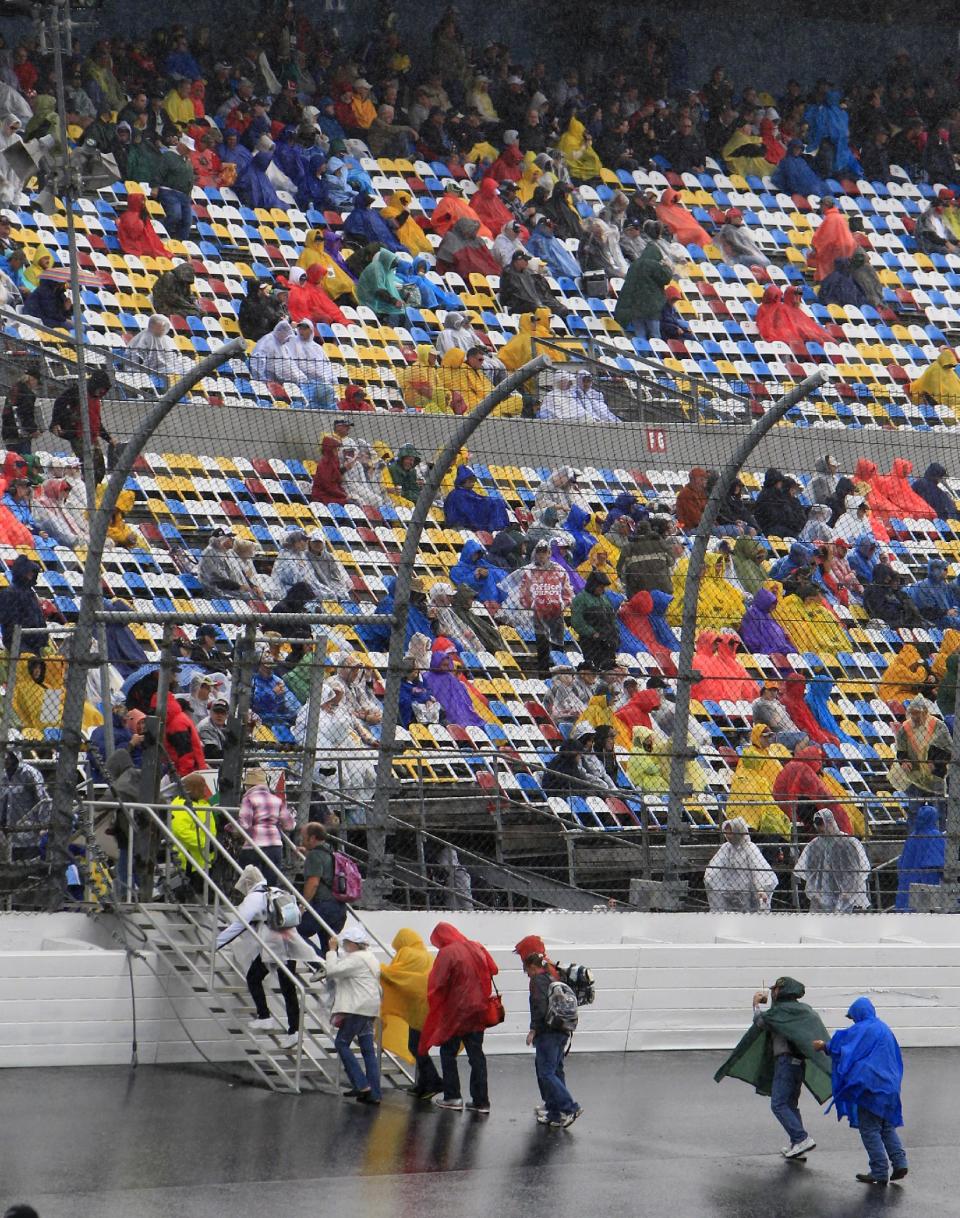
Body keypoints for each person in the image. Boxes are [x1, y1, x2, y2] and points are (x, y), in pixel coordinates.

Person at [715, 976, 831, 1159]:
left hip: (786, 1063)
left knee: (778, 1104)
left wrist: (755, 1005)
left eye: (775, 989)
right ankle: (797, 1145)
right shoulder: (804, 1011)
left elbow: (761, 1022)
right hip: (799, 1064)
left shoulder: (781, 1012)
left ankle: (801, 1138)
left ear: (783, 991)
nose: (773, 992)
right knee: (791, 1104)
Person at [215, 864, 312, 1050]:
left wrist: (215, 944)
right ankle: (294, 1031)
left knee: (253, 978)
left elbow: (238, 925)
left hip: (274, 947)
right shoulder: (276, 891)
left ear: (247, 883)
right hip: (288, 944)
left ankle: (265, 1017)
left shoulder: (253, 898)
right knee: (288, 988)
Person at [812, 999, 908, 1186]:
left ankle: (879, 1171)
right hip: (891, 1087)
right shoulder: (884, 1028)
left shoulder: (864, 1029)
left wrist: (824, 1046)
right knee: (887, 1127)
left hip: (871, 1088)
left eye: (853, 1017)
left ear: (858, 1014)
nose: (853, 1021)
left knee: (870, 1129)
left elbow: (844, 1046)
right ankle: (900, 1162)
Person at [420, 922, 498, 1113]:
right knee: (476, 1055)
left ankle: (453, 1096)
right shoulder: (476, 946)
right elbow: (494, 969)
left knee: (448, 1053)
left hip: (456, 1012)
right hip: (478, 1010)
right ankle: (481, 1101)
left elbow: (437, 983)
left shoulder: (447, 953)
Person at [321, 925, 382, 1104]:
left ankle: (362, 1084)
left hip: (357, 1007)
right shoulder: (369, 957)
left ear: (354, 944)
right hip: (369, 1007)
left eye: (346, 943)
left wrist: (331, 951)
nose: (345, 945)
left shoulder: (357, 959)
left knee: (342, 1043)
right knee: (368, 1050)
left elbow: (332, 970)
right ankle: (374, 1093)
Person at [380, 927, 443, 1100]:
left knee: (415, 1046)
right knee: (419, 1046)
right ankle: (423, 1084)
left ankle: (434, 1081)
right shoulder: (427, 955)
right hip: (429, 1006)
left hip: (416, 1009)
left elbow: (397, 974)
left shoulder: (407, 953)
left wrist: (379, 969)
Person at [522, 950, 582, 1127]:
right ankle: (555, 1113)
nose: (527, 975)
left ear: (533, 967)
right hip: (562, 1030)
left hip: (547, 1033)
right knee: (554, 1071)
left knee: (546, 1073)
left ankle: (570, 1107)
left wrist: (533, 1030)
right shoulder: (553, 977)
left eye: (527, 971)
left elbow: (539, 1007)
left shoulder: (537, 980)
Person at [794, 809, 870, 912]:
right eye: (818, 825)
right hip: (821, 893)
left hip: (844, 893)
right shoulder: (815, 844)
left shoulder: (846, 842)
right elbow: (809, 868)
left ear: (830, 822)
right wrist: (814, 889)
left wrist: (849, 891)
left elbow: (854, 870)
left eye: (822, 824)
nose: (820, 828)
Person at [703, 817, 778, 912]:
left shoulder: (750, 848)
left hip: (749, 890)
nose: (728, 836)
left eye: (730, 833)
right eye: (726, 833)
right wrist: (709, 878)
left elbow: (758, 868)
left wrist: (761, 888)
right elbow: (715, 866)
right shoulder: (726, 848)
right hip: (731, 890)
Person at [236, 767, 295, 872]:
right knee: (270, 884)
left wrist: (230, 827)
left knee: (251, 883)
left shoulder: (248, 799)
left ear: (248, 785)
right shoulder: (276, 800)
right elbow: (290, 825)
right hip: (275, 845)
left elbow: (245, 824)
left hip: (253, 845)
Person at [613, 241, 671, 341]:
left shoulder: (634, 265)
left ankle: (642, 354)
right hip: (652, 308)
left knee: (640, 335)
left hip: (635, 307)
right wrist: (666, 267)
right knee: (655, 336)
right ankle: (654, 355)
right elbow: (666, 278)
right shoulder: (655, 265)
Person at [895, 804, 945, 911]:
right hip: (926, 879)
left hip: (908, 878)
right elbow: (938, 862)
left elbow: (902, 861)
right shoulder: (935, 835)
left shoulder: (912, 836)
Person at [116, 193, 170, 259]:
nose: (143, 203)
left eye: (143, 201)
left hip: (144, 245)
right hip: (137, 245)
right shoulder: (131, 217)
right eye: (141, 201)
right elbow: (133, 235)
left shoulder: (136, 216)